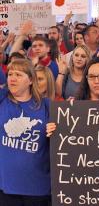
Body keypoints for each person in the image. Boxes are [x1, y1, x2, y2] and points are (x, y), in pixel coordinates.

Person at [0, 59, 51, 205]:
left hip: (38, 189)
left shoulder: (46, 105)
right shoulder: (2, 98)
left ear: (30, 80)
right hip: (6, 189)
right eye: (10, 74)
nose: (12, 78)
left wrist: (54, 130)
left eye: (18, 74)